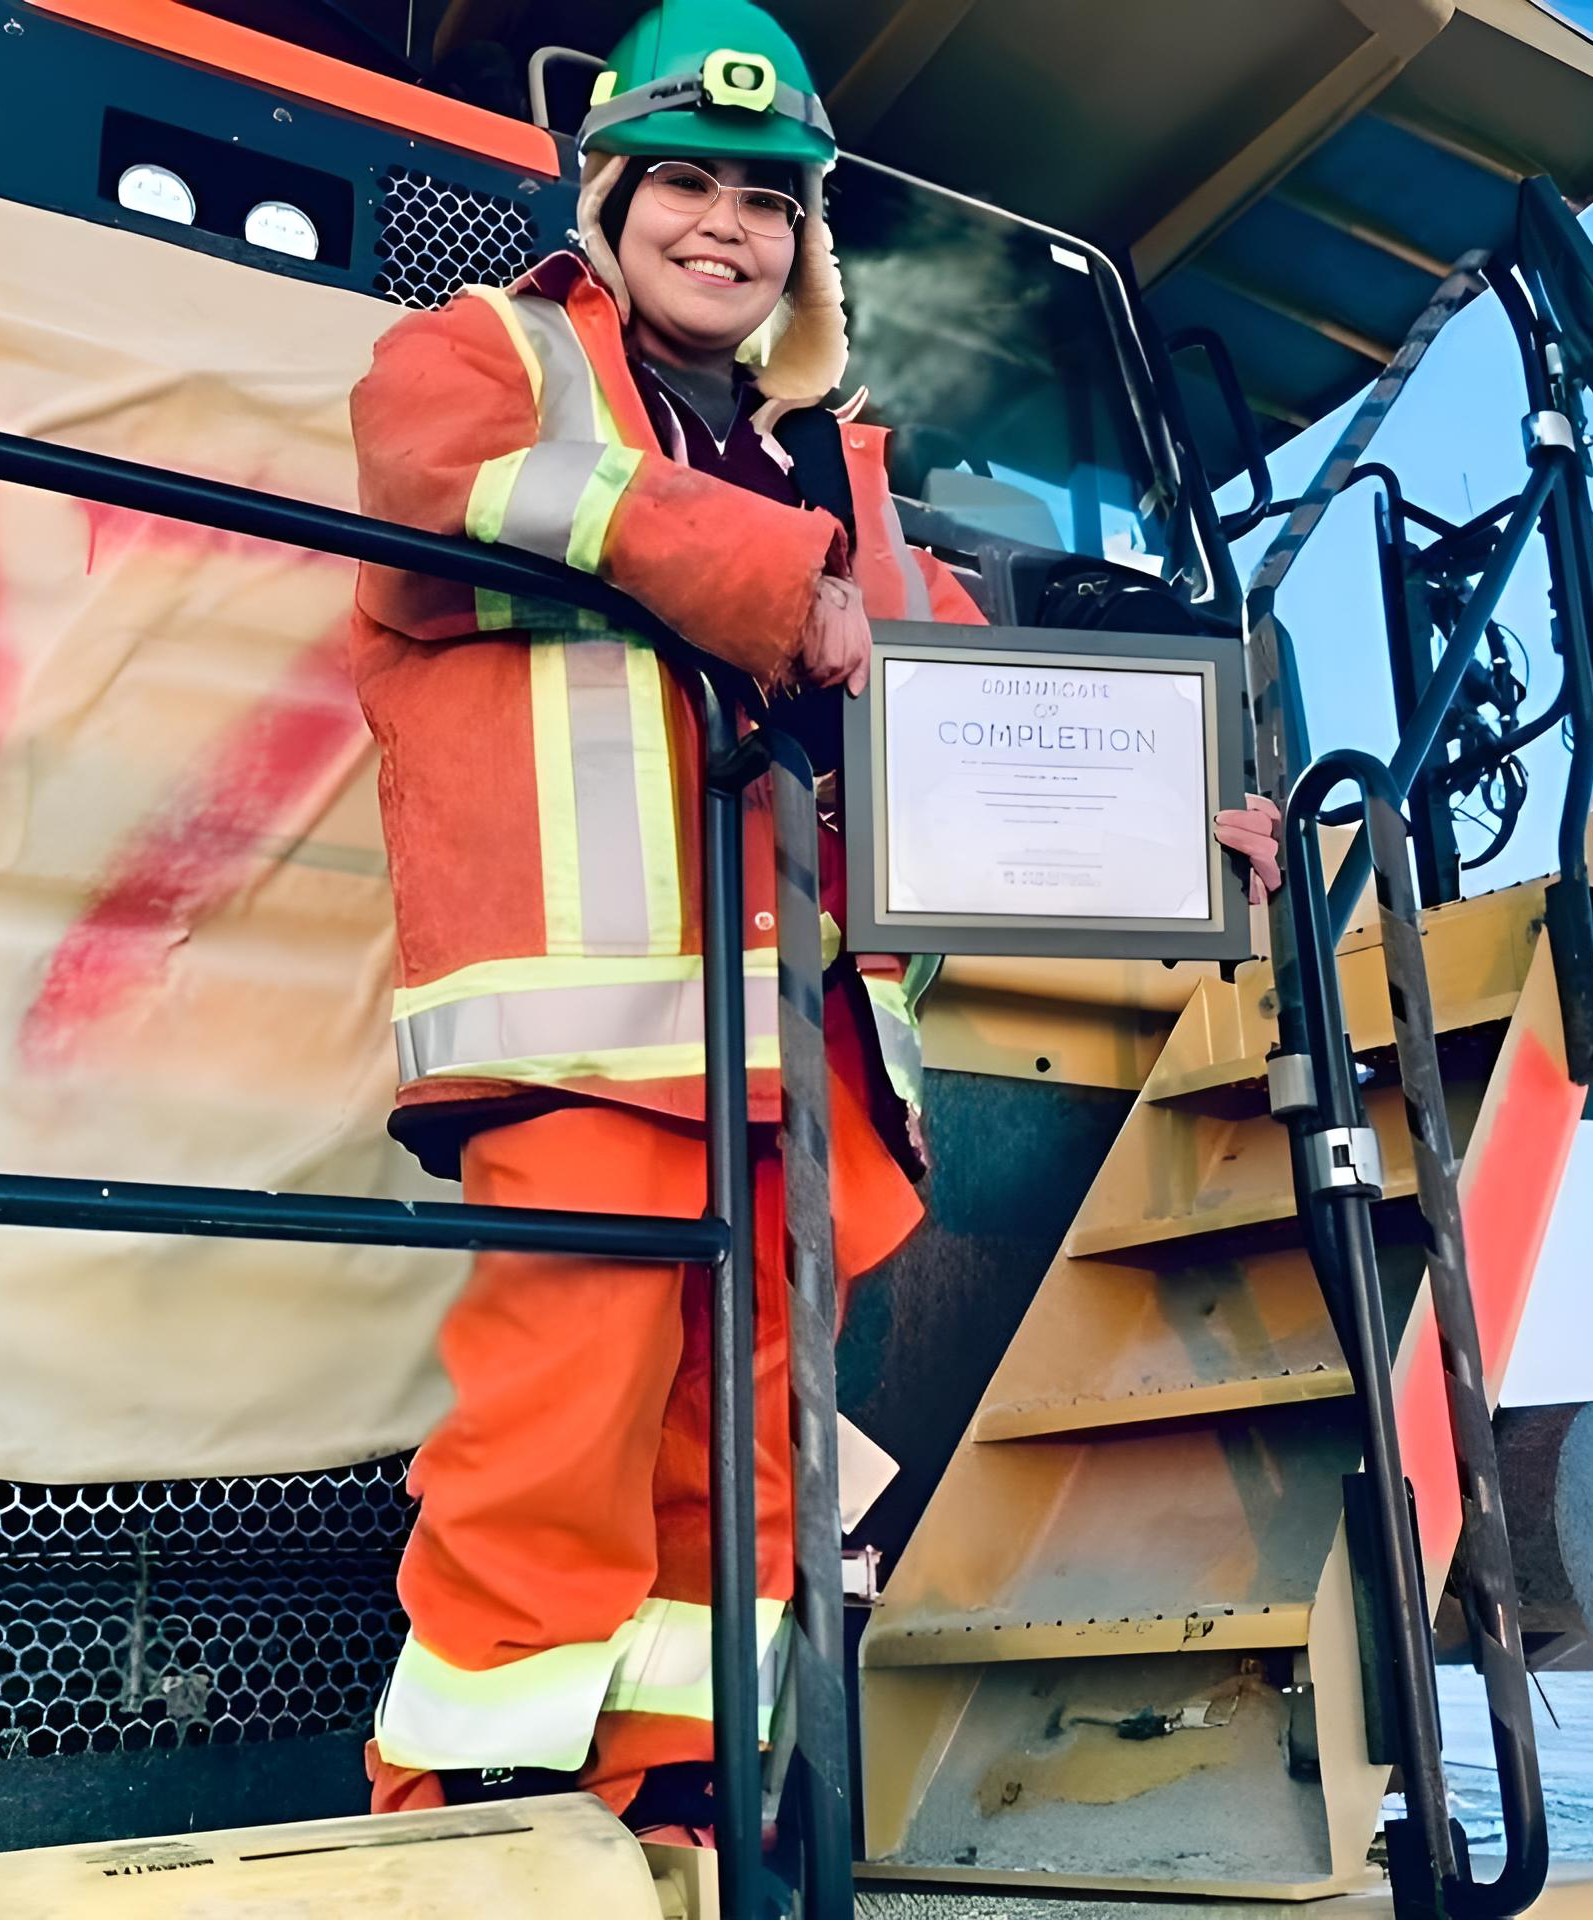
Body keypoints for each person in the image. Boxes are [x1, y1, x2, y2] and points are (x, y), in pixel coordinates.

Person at [344, 0, 982, 1841]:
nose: (727, 225)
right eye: (688, 182)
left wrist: (1190, 833)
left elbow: (980, 704)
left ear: (807, 246)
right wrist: (793, 588)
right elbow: (440, 491)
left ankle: (682, 1807)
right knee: (553, 1436)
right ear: (612, 196)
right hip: (591, 1036)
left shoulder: (839, 465)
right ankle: (463, 1826)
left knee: (752, 1475)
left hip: (799, 1047)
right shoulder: (488, 358)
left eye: (769, 200)